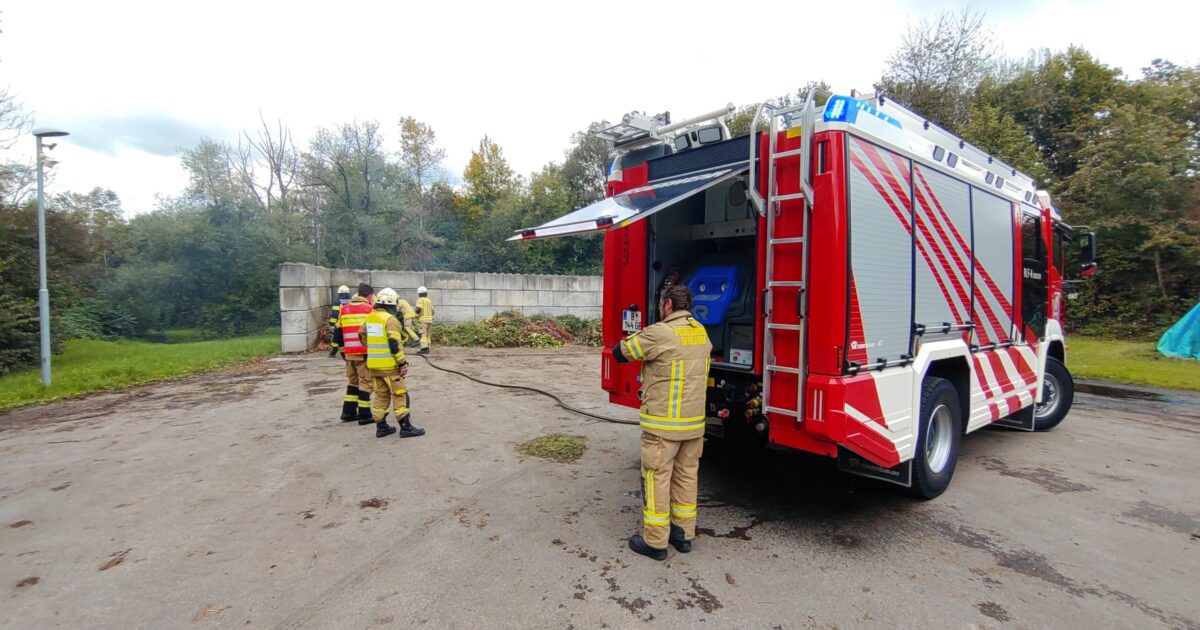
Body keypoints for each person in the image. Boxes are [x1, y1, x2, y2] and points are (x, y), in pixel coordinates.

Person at [612, 284, 712, 561]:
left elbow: (622, 352)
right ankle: (683, 535)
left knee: (657, 478)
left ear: (668, 305)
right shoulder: (700, 332)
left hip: (663, 425)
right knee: (687, 476)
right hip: (693, 425)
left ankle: (655, 542)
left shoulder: (660, 332)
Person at [360, 288, 426, 439]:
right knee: (399, 394)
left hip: (374, 366)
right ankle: (405, 427)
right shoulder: (390, 320)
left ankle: (381, 426)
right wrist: (402, 363)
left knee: (381, 395)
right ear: (391, 304)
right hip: (390, 367)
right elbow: (394, 344)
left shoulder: (370, 317)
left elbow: (361, 335)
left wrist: (373, 349)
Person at [333, 283, 376, 424]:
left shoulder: (344, 309)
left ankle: (348, 413)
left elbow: (338, 332)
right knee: (366, 382)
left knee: (353, 382)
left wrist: (341, 352)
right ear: (369, 295)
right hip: (363, 352)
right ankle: (364, 415)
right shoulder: (369, 309)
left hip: (349, 352)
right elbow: (374, 332)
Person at [327, 285, 352, 357]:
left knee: (336, 339)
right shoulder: (351, 300)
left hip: (339, 324)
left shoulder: (337, 301)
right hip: (349, 323)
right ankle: (344, 353)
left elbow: (335, 313)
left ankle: (333, 353)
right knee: (345, 339)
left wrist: (332, 323)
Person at [415, 286, 434, 355]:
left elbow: (418, 309)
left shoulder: (420, 300)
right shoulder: (429, 300)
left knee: (423, 334)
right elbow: (433, 311)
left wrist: (415, 314)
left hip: (423, 320)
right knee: (428, 335)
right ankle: (428, 348)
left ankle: (424, 349)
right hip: (430, 320)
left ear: (419, 294)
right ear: (426, 293)